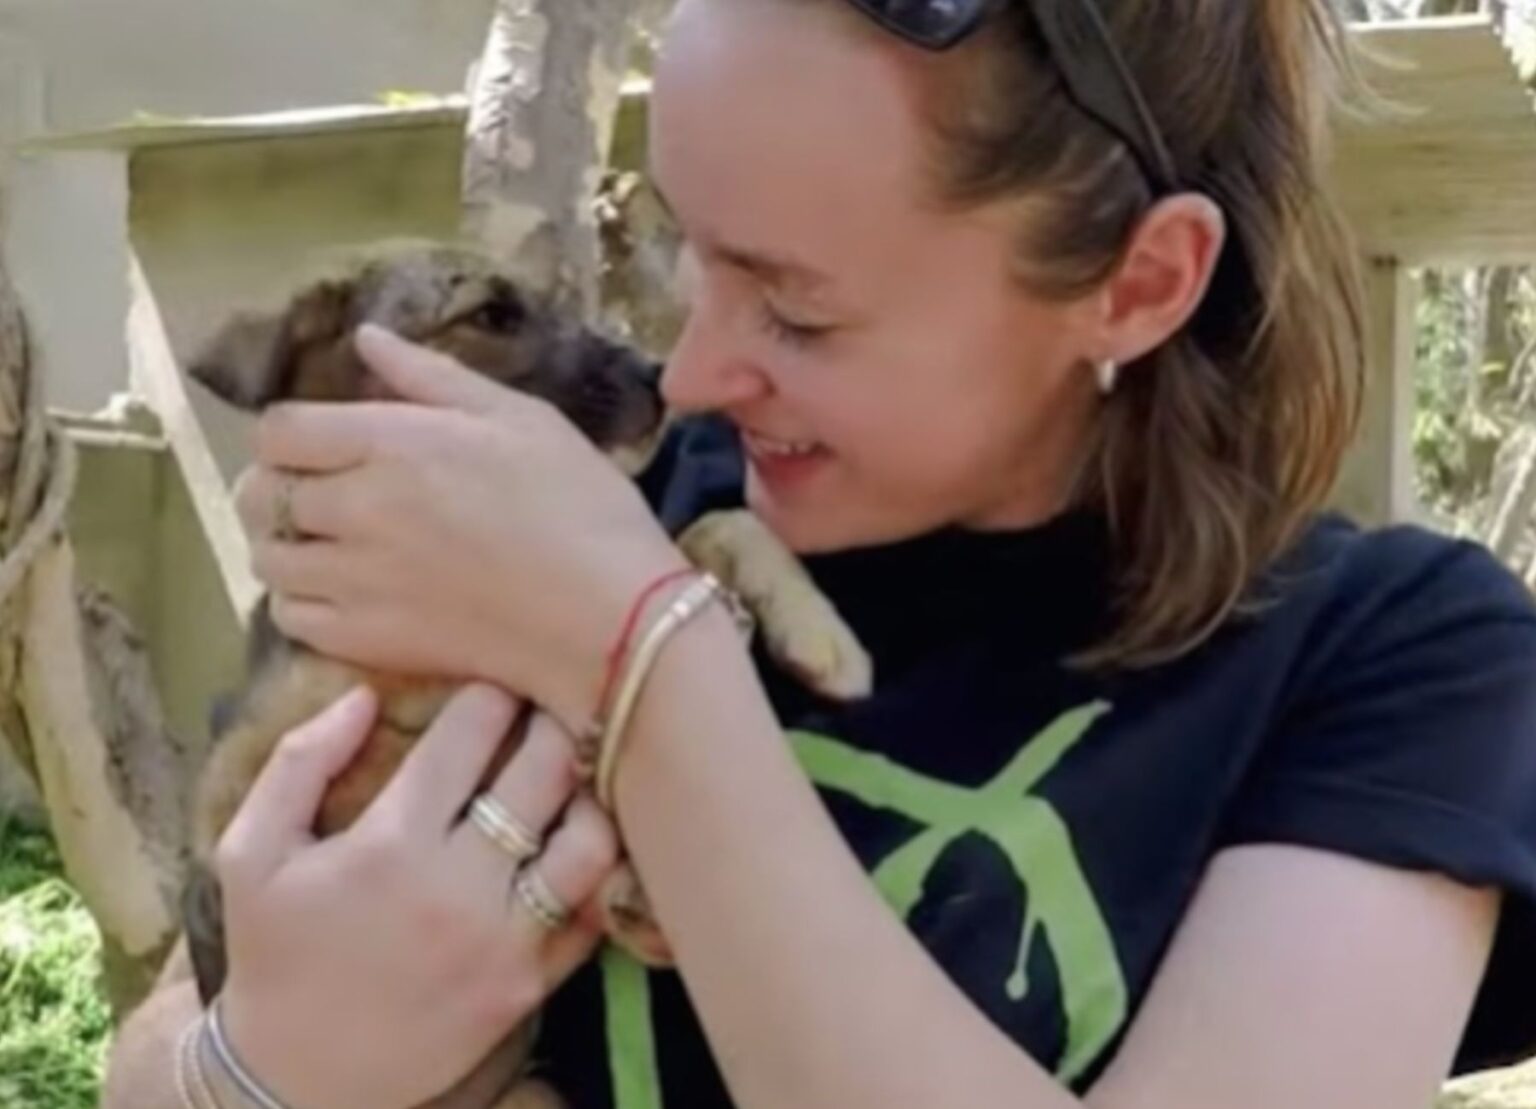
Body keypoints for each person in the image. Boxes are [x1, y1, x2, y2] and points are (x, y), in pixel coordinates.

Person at [103, 0, 1536, 1106]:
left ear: (1139, 282)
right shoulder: (583, 511)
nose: (693, 372)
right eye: (688, 251)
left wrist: (643, 653)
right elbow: (154, 1051)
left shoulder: (1395, 666)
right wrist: (263, 1061)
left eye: (799, 313)